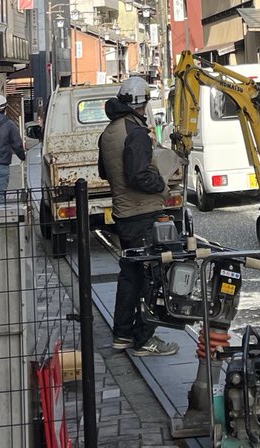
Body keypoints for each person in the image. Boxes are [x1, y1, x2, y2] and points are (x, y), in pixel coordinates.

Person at [97, 75, 178, 357]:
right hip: (144, 214)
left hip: (123, 215)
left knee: (130, 277)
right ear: (142, 103)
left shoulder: (109, 132)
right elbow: (138, 175)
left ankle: (122, 335)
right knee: (152, 278)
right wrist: (162, 184)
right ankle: (145, 340)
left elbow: (104, 173)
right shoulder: (137, 132)